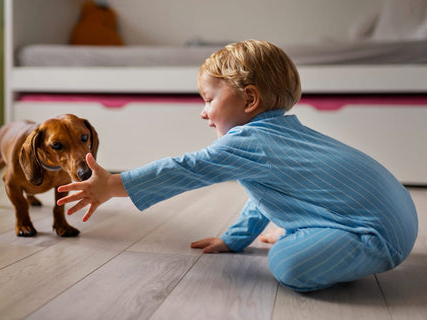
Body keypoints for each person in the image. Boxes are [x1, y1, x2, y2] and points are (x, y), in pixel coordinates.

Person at [57, 40, 418, 292]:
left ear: (249, 98)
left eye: (209, 99)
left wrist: (114, 185)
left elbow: (187, 168)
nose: (203, 112)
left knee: (285, 263)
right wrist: (235, 239)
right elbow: (264, 194)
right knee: (287, 230)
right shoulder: (282, 135)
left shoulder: (250, 142)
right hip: (400, 217)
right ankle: (312, 230)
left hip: (375, 237)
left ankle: (306, 233)